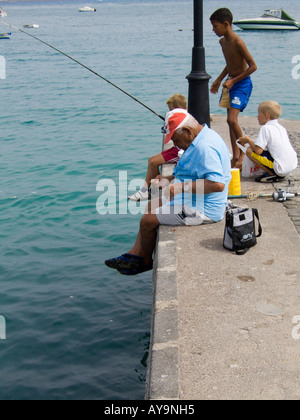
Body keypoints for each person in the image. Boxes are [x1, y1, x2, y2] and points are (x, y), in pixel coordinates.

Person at [105, 109, 232, 276]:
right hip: (193, 199)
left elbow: (217, 184)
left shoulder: (204, 148)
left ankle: (144, 261)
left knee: (147, 221)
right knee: (151, 205)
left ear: (187, 131)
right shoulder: (202, 137)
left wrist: (178, 187)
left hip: (204, 209)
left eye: (176, 139)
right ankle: (136, 253)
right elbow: (192, 173)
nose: (175, 144)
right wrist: (168, 179)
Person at [210, 8, 257, 169]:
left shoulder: (238, 42)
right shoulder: (222, 42)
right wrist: (219, 79)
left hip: (242, 84)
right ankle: (235, 155)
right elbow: (230, 63)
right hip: (230, 82)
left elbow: (253, 66)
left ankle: (244, 152)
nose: (213, 30)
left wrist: (234, 80)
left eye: (215, 26)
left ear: (226, 24)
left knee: (232, 119)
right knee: (230, 122)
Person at [128, 93, 188, 202]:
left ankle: (151, 192)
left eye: (171, 109)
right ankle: (147, 190)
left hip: (180, 151)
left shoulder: (183, 119)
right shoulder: (185, 117)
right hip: (176, 149)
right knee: (151, 160)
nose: (170, 112)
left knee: (153, 162)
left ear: (178, 108)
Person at [238, 101, 298, 183]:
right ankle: (275, 172)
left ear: (266, 115)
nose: (257, 117)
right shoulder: (281, 128)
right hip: (292, 164)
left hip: (280, 169)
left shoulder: (266, 128)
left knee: (249, 151)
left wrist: (248, 140)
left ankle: (272, 174)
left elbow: (258, 151)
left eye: (259, 114)